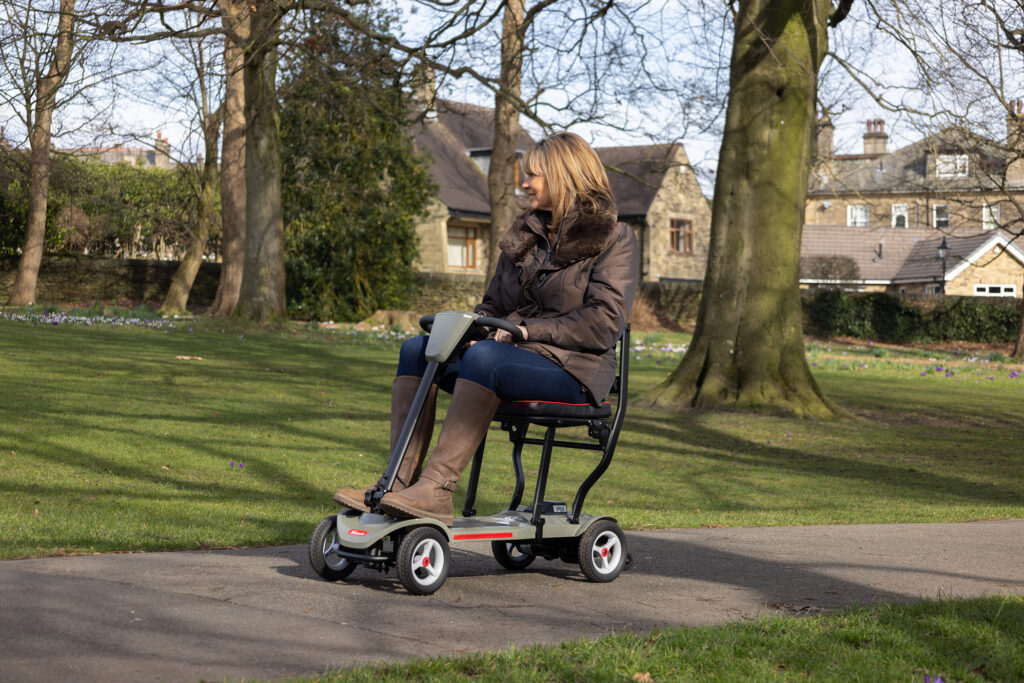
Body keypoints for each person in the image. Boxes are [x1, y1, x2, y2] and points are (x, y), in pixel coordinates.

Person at [333, 131, 639, 525]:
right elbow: (494, 306)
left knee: (485, 357)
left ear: (565, 176)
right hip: (509, 357)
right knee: (418, 349)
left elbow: (605, 322)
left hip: (574, 370)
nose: (524, 183)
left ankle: (437, 491)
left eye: (533, 175)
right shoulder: (524, 236)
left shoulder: (615, 238)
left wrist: (528, 330)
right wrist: (468, 328)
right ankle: (396, 484)